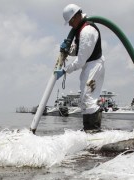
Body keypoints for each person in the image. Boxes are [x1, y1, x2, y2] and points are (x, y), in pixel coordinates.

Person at [54, 4, 105, 132]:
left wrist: (65, 70)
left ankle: (94, 130)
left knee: (88, 98)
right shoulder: (80, 30)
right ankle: (88, 130)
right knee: (84, 99)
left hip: (94, 65)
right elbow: (79, 50)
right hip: (89, 65)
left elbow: (81, 60)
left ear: (76, 16)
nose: (70, 25)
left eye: (70, 22)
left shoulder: (87, 31)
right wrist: (68, 50)